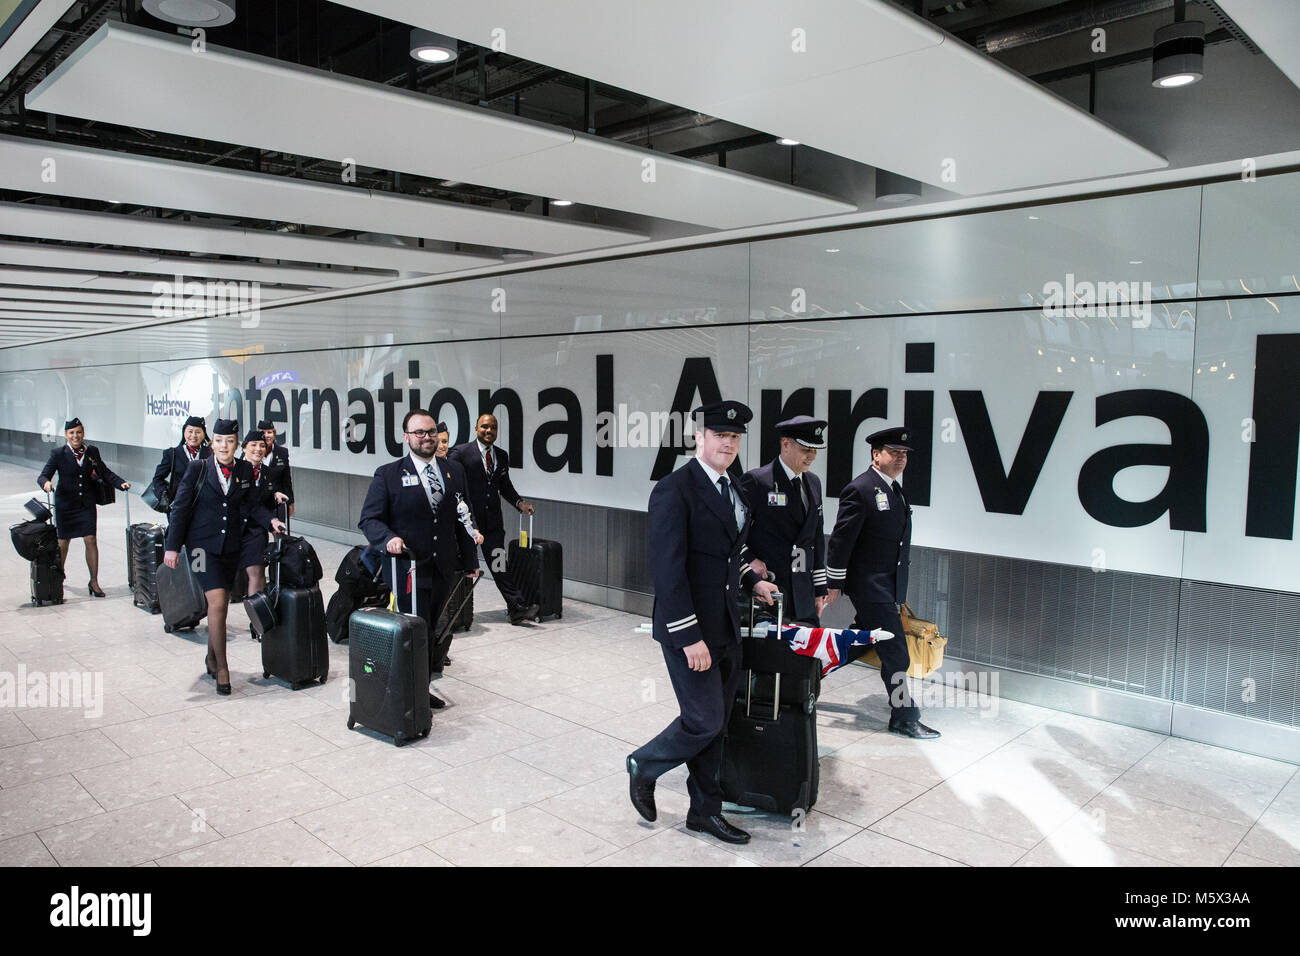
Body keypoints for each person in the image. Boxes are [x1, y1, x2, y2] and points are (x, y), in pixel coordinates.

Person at [626, 401, 778, 846]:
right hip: (689, 630)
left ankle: (704, 812)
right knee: (703, 721)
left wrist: (753, 582)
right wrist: (689, 636)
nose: (728, 444)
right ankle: (645, 764)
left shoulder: (736, 488)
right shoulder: (675, 489)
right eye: (719, 436)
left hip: (727, 625)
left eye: (734, 438)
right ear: (699, 437)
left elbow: (732, 553)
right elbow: (668, 570)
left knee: (719, 724)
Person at [359, 409, 480, 709]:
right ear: (406, 437)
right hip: (408, 569)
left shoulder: (453, 471)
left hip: (443, 567)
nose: (427, 438)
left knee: (429, 630)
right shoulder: (388, 474)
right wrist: (388, 539)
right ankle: (404, 690)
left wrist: (470, 561)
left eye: (431, 432)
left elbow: (463, 517)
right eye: (419, 433)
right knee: (414, 630)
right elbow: (369, 520)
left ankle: (420, 688)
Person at [825, 426, 940, 739]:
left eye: (904, 454)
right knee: (897, 656)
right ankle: (904, 715)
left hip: (885, 587)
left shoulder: (893, 489)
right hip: (870, 587)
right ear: (876, 455)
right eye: (894, 452)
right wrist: (833, 582)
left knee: (860, 643)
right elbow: (841, 540)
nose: (900, 458)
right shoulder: (861, 489)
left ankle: (805, 673)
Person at [163, 419, 286, 695]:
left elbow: (253, 505)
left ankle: (210, 656)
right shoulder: (199, 468)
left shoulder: (243, 469)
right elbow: (180, 508)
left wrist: (271, 522)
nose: (223, 446)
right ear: (212, 442)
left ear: (235, 444)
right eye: (218, 441)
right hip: (199, 549)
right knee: (218, 602)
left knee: (218, 605)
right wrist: (172, 547)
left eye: (229, 441)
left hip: (230, 548)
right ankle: (222, 668)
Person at [449, 413, 539, 625]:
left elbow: (504, 485)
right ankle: (450, 614)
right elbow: (450, 482)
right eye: (485, 427)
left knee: (500, 564)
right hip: (467, 525)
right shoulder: (461, 453)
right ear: (476, 429)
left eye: (493, 428)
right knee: (460, 568)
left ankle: (516, 607)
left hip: (492, 526)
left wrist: (519, 504)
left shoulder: (501, 455)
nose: (489, 431)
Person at [739, 415, 829, 626]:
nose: (812, 456)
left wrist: (819, 590)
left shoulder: (813, 483)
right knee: (773, 654)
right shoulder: (758, 481)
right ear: (785, 444)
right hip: (769, 587)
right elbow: (733, 531)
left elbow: (815, 537)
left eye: (815, 451)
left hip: (803, 589)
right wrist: (749, 559)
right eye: (806, 450)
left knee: (806, 653)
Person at [37, 418, 130, 598]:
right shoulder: (58, 453)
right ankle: (58, 581)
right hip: (65, 505)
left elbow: (105, 472)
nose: (75, 436)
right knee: (63, 543)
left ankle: (94, 581)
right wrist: (46, 483)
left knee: (91, 540)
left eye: (78, 432)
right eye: (71, 433)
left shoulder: (92, 452)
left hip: (86, 504)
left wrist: (121, 483)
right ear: (66, 435)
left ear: (83, 433)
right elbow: (43, 475)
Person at [238, 429, 289, 598]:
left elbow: (263, 503)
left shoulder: (267, 473)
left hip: (255, 530)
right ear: (244, 447)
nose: (258, 449)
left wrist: (274, 495)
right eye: (253, 445)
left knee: (257, 573)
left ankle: (257, 618)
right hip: (233, 528)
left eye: (262, 445)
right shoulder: (233, 470)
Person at [149, 416, 210, 512]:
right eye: (190, 431)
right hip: (178, 507)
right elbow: (158, 478)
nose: (193, 435)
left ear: (203, 434)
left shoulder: (211, 454)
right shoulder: (172, 454)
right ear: (184, 432)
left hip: (204, 507)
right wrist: (164, 494)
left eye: (198, 432)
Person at [259, 419, 294, 517]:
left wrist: (290, 502)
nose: (266, 435)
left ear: (274, 434)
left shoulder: (282, 452)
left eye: (269, 432)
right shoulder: (252, 452)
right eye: (263, 433)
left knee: (279, 530)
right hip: (258, 502)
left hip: (277, 502)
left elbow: (286, 479)